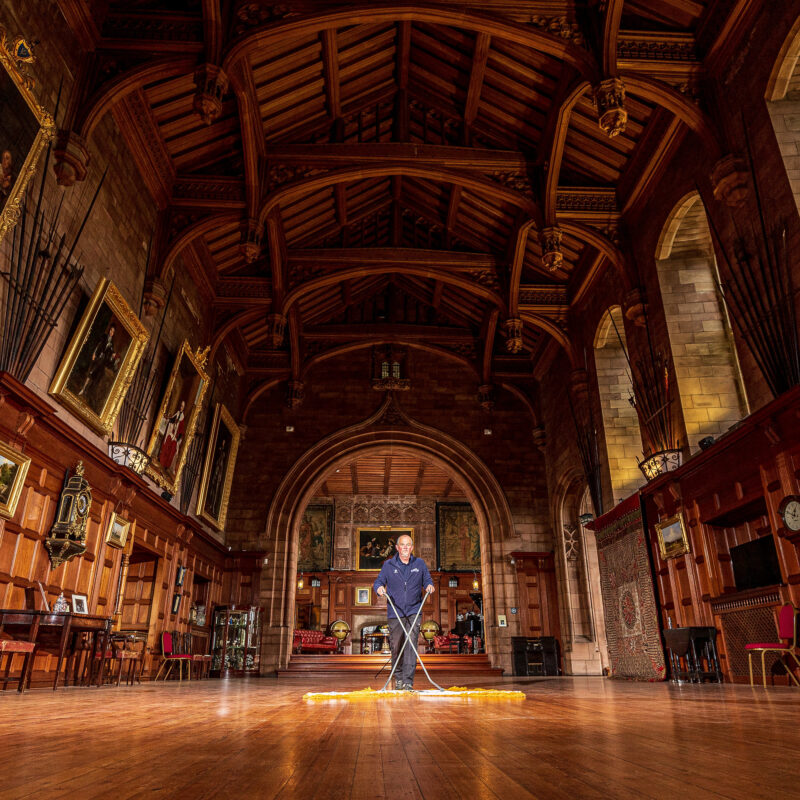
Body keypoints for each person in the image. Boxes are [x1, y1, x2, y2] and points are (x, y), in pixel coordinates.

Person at [373, 534, 434, 691]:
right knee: (397, 646)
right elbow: (378, 582)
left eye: (408, 545)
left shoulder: (419, 563)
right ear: (397, 548)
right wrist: (379, 588)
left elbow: (427, 579)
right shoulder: (388, 565)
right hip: (395, 612)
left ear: (412, 548)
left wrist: (429, 585)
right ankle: (399, 678)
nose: (405, 547)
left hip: (414, 611)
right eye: (402, 545)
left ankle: (408, 682)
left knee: (410, 645)